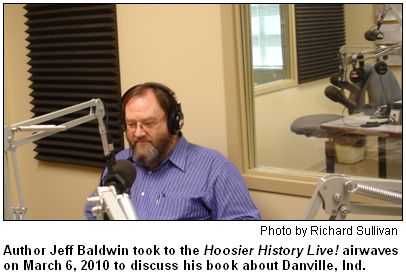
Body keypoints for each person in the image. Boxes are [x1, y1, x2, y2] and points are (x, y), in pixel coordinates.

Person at [85, 82, 261, 220]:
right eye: (131, 125)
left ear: (173, 122)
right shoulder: (119, 165)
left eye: (148, 123)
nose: (138, 133)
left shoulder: (215, 169)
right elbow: (95, 216)